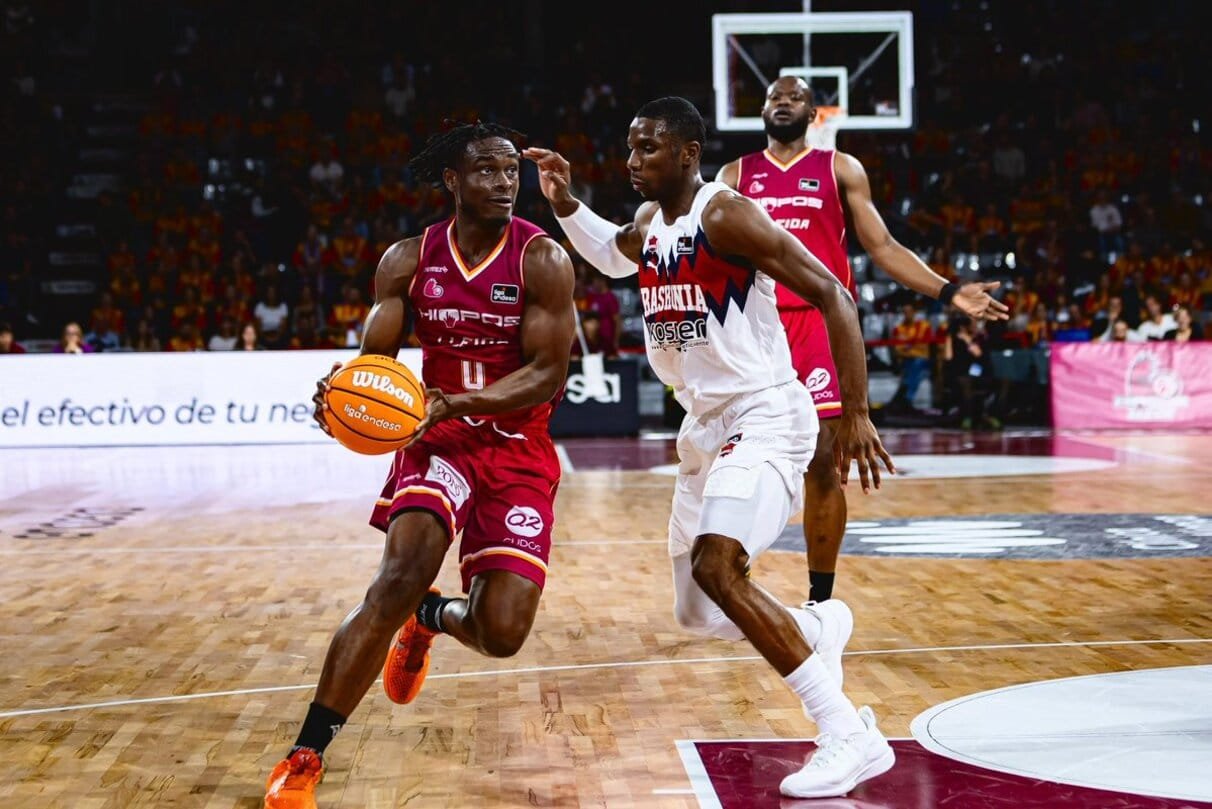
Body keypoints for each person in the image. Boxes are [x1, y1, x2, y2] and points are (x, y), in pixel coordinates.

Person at [527, 96, 895, 799]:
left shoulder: (724, 213)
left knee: (718, 565)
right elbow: (611, 255)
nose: (633, 162)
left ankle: (846, 731)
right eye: (630, 149)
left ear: (689, 153)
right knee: (697, 611)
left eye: (648, 149)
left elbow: (833, 294)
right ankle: (819, 625)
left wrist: (855, 411)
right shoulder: (649, 221)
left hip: (764, 414)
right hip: (702, 427)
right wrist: (567, 201)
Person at [264, 122, 576, 808]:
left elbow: (549, 373)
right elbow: (374, 362)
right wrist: (343, 392)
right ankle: (305, 755)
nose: (504, 184)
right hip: (439, 445)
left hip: (517, 449)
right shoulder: (407, 259)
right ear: (453, 181)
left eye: (510, 172)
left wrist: (457, 399)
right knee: (396, 576)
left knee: (502, 633)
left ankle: (430, 618)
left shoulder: (542, 259)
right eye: (488, 172)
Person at [714, 76, 1008, 605]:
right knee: (742, 460)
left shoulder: (840, 168)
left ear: (814, 113)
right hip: (755, 329)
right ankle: (732, 574)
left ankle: (820, 603)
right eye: (775, 96)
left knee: (823, 461)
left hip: (819, 324)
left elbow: (884, 247)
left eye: (795, 97)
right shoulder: (734, 175)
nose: (783, 103)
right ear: (760, 110)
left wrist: (949, 291)